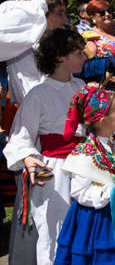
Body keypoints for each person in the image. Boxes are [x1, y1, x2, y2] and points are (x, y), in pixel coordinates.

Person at [4, 29, 87, 265]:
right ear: (60, 57)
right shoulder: (38, 94)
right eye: (78, 53)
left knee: (83, 225)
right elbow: (20, 135)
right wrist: (29, 158)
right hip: (54, 171)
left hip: (82, 165)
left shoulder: (80, 86)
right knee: (54, 228)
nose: (84, 58)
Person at [54, 85, 115, 264]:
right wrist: (110, 193)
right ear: (102, 120)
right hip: (96, 220)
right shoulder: (84, 154)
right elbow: (79, 192)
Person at [80, 0, 115, 81]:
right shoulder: (91, 37)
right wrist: (114, 79)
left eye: (109, 10)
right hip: (113, 86)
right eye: (102, 13)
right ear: (92, 17)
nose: (107, 14)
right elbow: (90, 69)